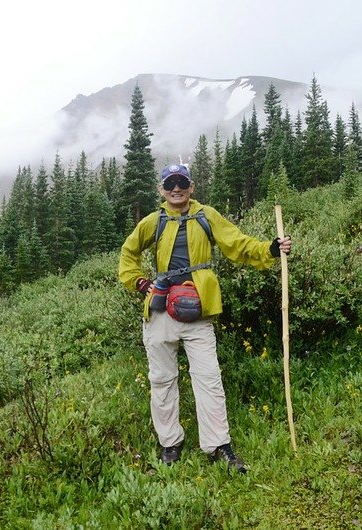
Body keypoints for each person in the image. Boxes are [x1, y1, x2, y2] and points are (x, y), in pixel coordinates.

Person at [118, 164, 291, 472]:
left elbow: (237, 243)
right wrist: (139, 282)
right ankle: (169, 442)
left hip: (198, 312)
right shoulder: (152, 221)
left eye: (181, 182)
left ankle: (217, 445)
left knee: (209, 379)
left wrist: (270, 249)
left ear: (191, 186)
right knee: (161, 380)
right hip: (159, 311)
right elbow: (128, 252)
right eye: (170, 183)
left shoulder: (207, 216)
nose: (176, 188)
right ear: (161, 189)